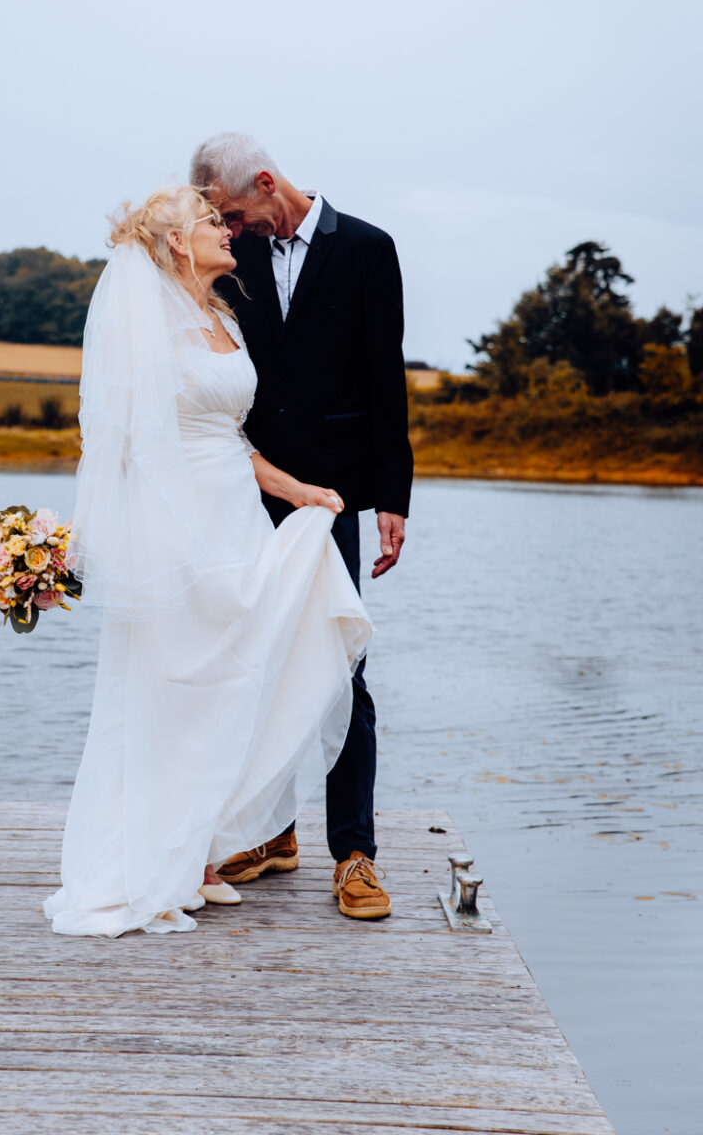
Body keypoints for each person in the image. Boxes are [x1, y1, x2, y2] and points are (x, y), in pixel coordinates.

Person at [44, 185, 371, 937]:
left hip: (237, 521)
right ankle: (155, 860)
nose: (228, 232)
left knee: (234, 681)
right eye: (210, 225)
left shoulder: (222, 317)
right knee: (175, 690)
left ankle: (197, 850)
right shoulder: (146, 329)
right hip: (177, 532)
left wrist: (298, 491)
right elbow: (124, 446)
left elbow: (232, 438)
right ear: (174, 245)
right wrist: (97, 541)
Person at [189, 133, 413, 921]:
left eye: (236, 214)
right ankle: (273, 833)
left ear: (264, 182)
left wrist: (394, 496)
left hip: (332, 498)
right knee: (253, 659)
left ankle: (354, 853)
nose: (233, 230)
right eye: (223, 222)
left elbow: (387, 376)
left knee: (341, 660)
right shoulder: (230, 255)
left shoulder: (367, 250)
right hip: (243, 490)